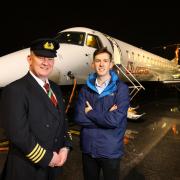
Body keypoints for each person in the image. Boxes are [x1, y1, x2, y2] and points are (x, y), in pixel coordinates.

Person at [0, 38, 72, 180]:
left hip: (54, 168)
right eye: (40, 57)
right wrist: (49, 158)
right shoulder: (15, 90)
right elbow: (19, 136)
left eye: (50, 58)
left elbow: (63, 122)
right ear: (29, 59)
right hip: (27, 169)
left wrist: (66, 147)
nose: (46, 63)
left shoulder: (55, 89)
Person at [74, 47, 130, 180]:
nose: (101, 64)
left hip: (110, 150)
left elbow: (115, 120)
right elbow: (78, 117)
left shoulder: (121, 89)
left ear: (111, 64)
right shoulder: (85, 89)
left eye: (105, 61)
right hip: (88, 150)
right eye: (98, 61)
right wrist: (105, 115)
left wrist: (91, 113)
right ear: (93, 64)